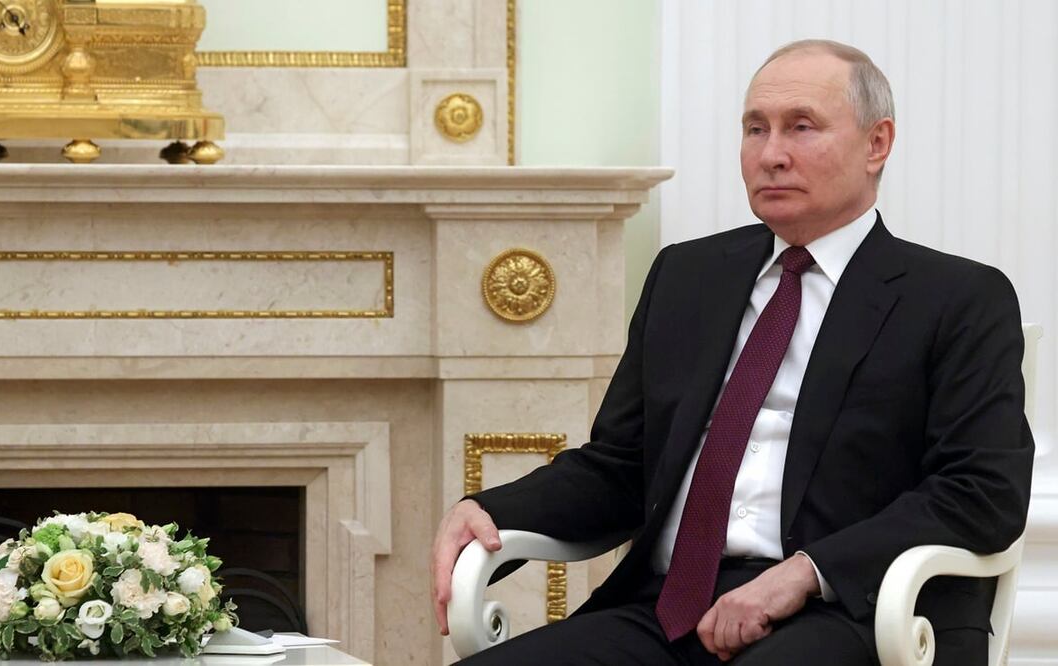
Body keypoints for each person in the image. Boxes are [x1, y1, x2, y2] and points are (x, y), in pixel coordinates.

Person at [431, 39, 1034, 666]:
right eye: (755, 129)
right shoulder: (687, 276)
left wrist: (808, 572)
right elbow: (620, 465)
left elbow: (981, 490)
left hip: (853, 615)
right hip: (667, 612)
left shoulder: (957, 298)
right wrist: (489, 509)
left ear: (877, 143)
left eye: (802, 127)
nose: (771, 155)